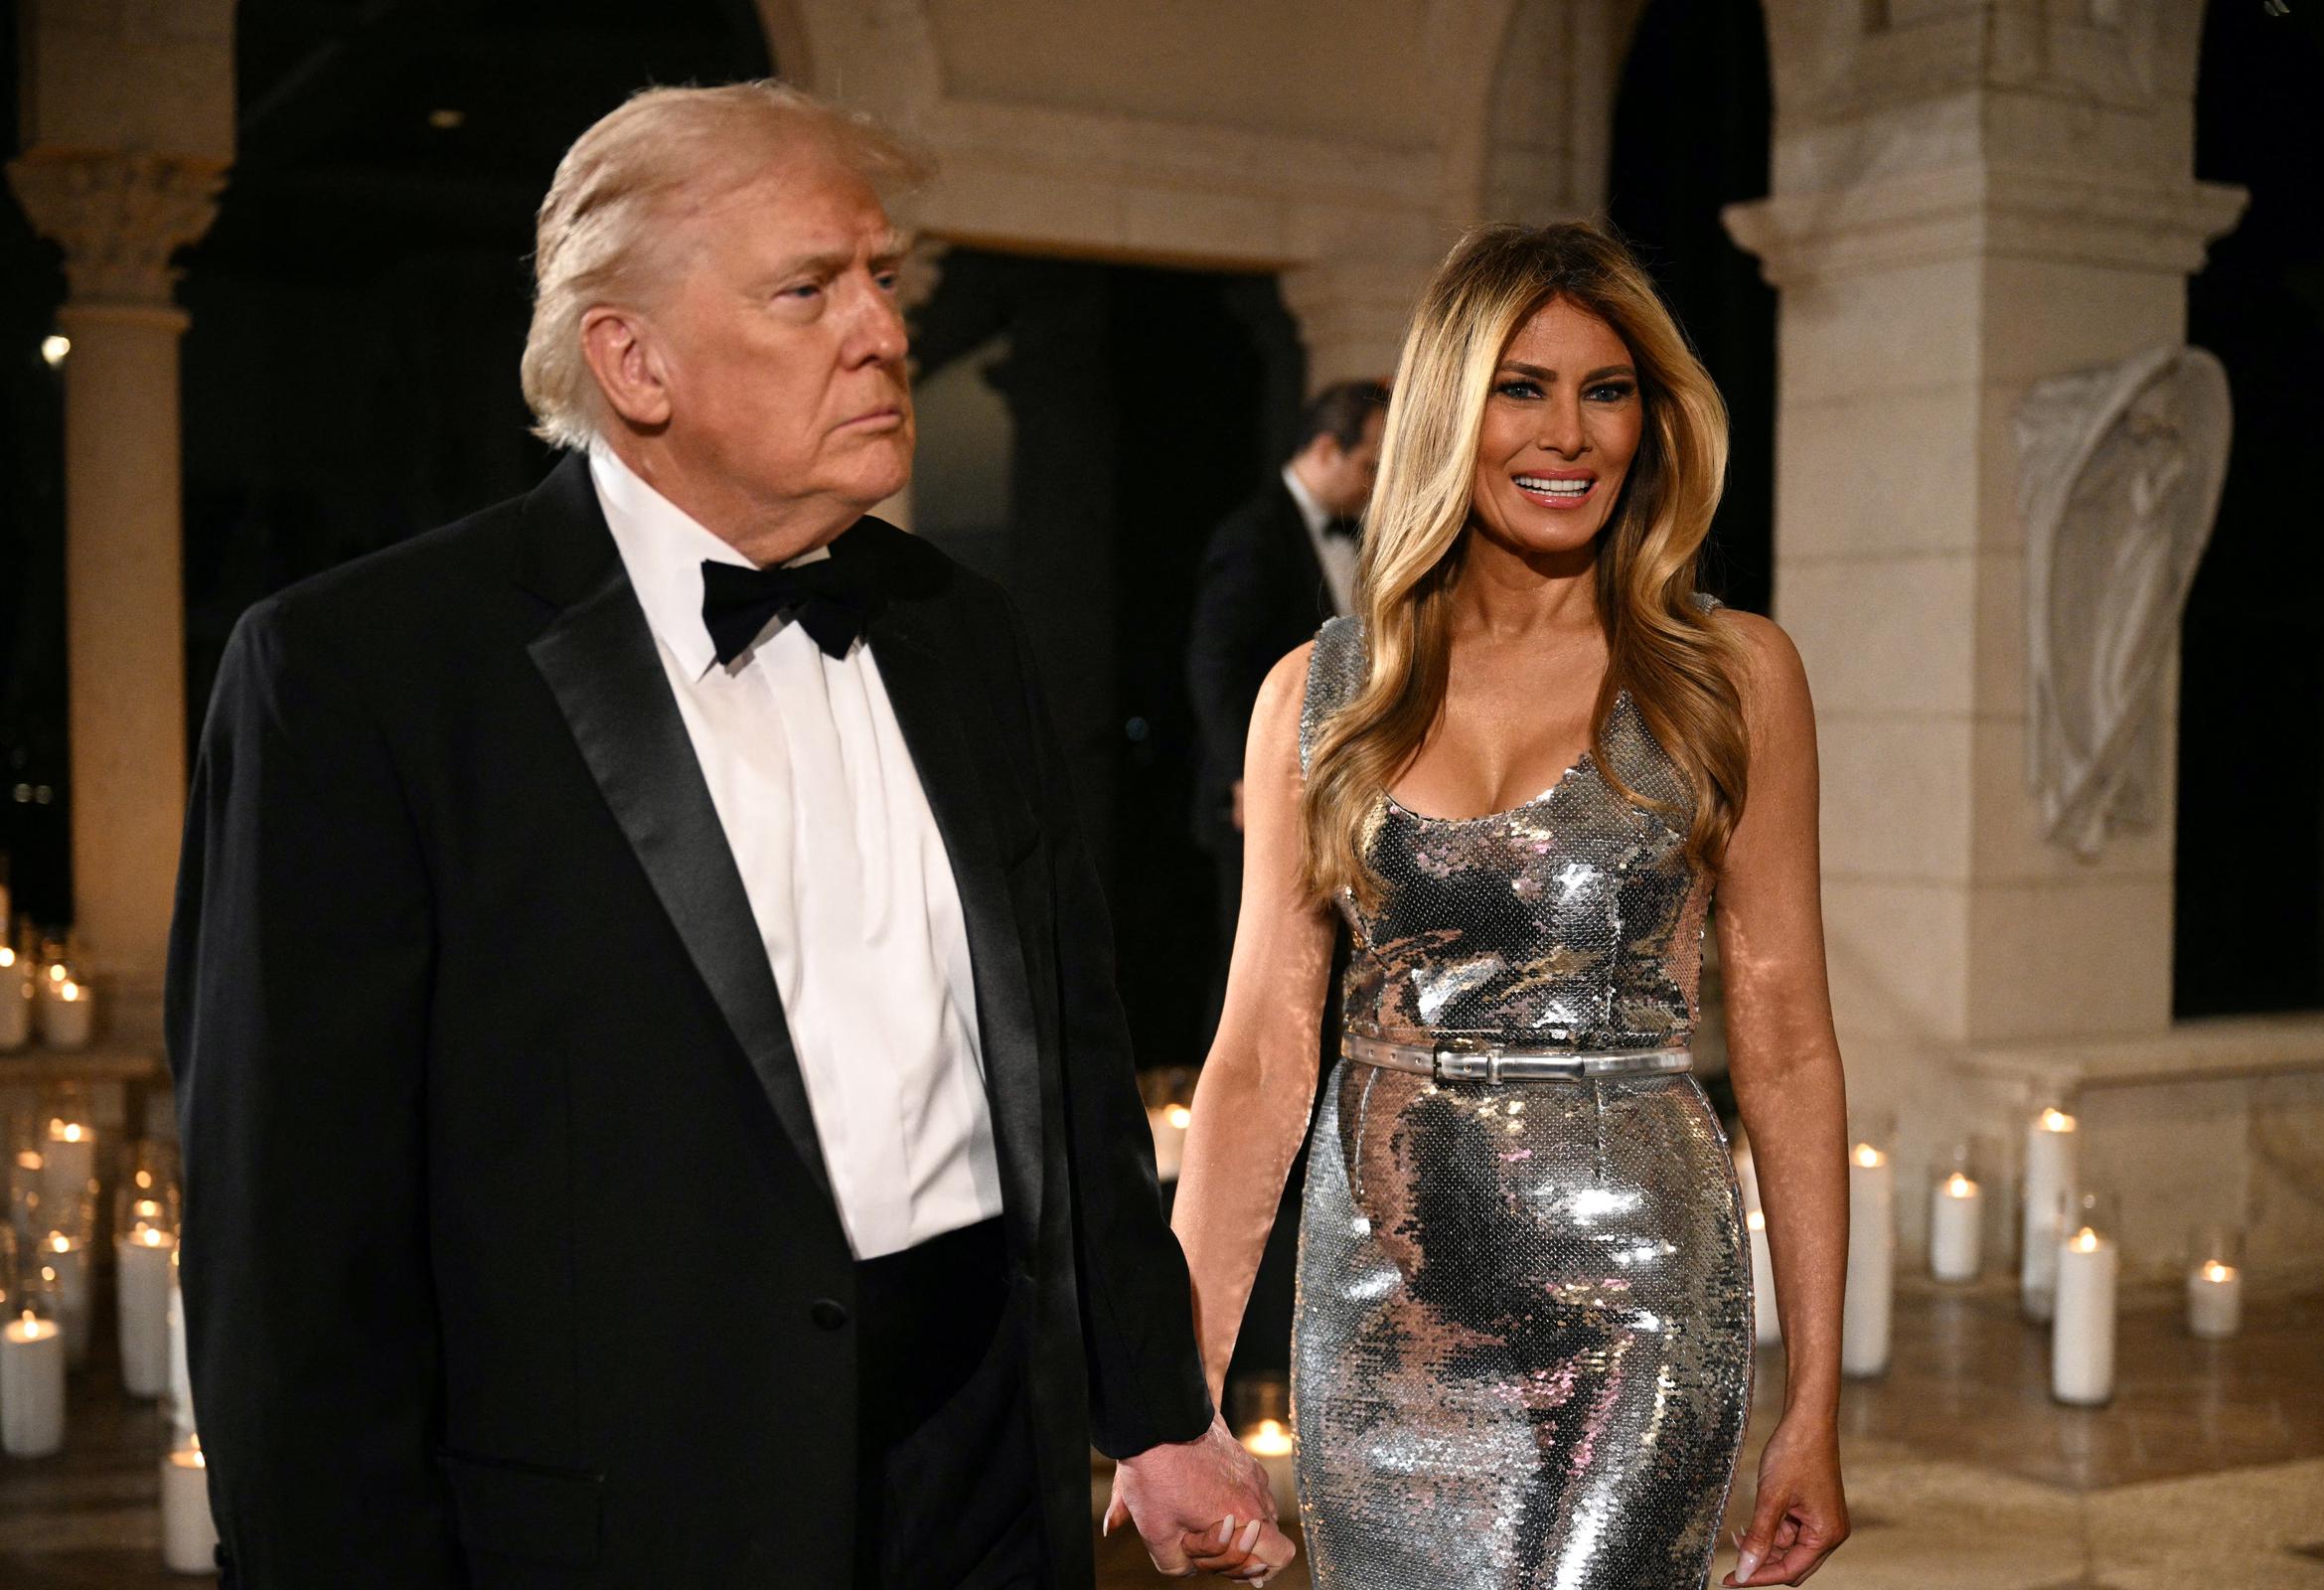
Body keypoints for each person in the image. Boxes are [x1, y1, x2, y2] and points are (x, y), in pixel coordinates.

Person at [165, 80, 1290, 1589]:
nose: (882, 330)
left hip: (985, 1490)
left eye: (881, 277)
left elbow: (1070, 1064)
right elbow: (291, 1254)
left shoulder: (966, 637)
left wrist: (1153, 1408)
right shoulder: (363, 677)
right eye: (808, 288)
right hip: (625, 1517)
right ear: (633, 360)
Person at [1157, 221, 1854, 1589]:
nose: (1572, 434)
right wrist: (1177, 1391)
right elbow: (1257, 1055)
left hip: (1637, 1301)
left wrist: (1817, 1402)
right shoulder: (1318, 694)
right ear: (1448, 411)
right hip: (1379, 1308)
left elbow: (1786, 1045)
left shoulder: (1731, 677)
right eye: (1522, 388)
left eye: (1609, 390)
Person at [1186, 381, 1387, 978]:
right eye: (1369, 465)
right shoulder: (1254, 536)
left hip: (1335, 786)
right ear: (1326, 450)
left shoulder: (1358, 533)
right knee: (1256, 973)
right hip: (1266, 788)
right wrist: (1245, 777)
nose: (1377, 483)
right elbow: (1214, 664)